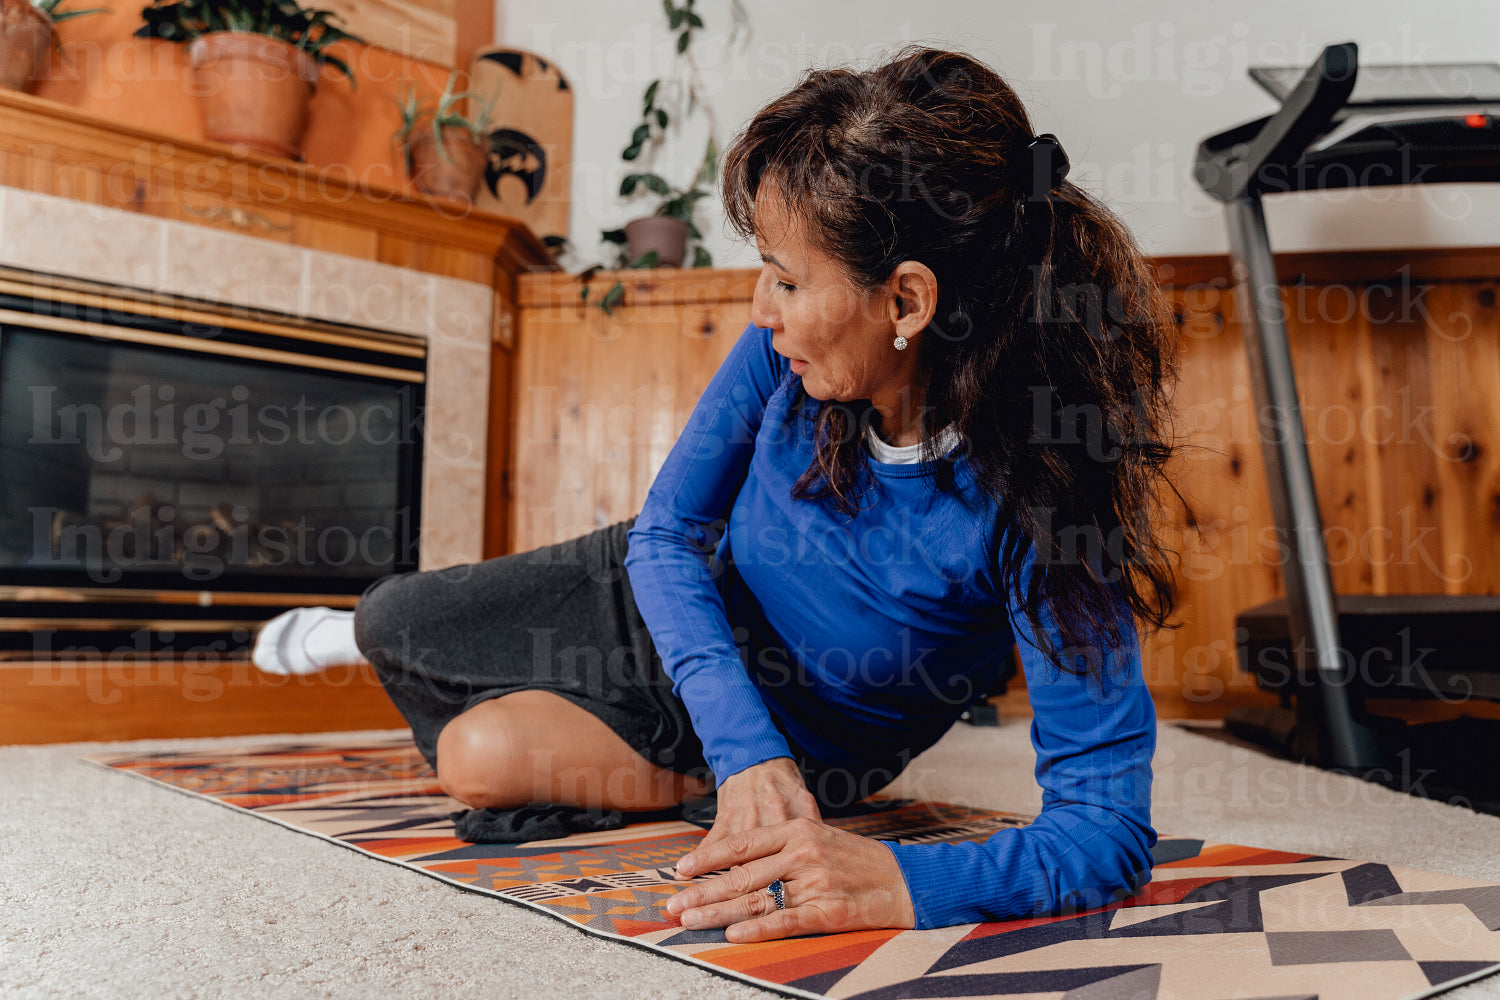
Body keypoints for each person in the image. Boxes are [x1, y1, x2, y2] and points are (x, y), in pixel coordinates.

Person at [253, 46, 1182, 941]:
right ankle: (675, 752)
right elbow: (665, 539)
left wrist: (902, 877)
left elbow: (1105, 835)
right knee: (392, 619)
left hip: (815, 732)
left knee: (476, 759)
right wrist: (747, 753)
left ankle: (690, 777)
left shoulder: (1049, 505)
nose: (760, 309)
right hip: (666, 594)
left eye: (786, 278)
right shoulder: (789, 351)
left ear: (905, 303)